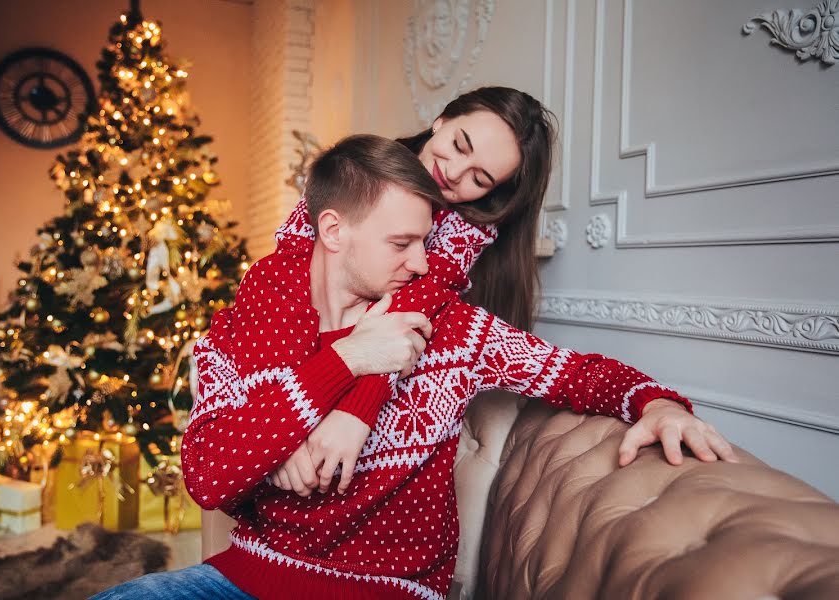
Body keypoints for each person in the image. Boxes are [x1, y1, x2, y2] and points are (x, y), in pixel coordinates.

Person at [93, 134, 734, 599]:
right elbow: (208, 478)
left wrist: (657, 402)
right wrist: (347, 360)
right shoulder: (256, 326)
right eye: (402, 244)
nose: (424, 264)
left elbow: (578, 372)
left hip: (389, 590)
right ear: (334, 230)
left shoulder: (450, 333)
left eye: (427, 241)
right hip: (246, 577)